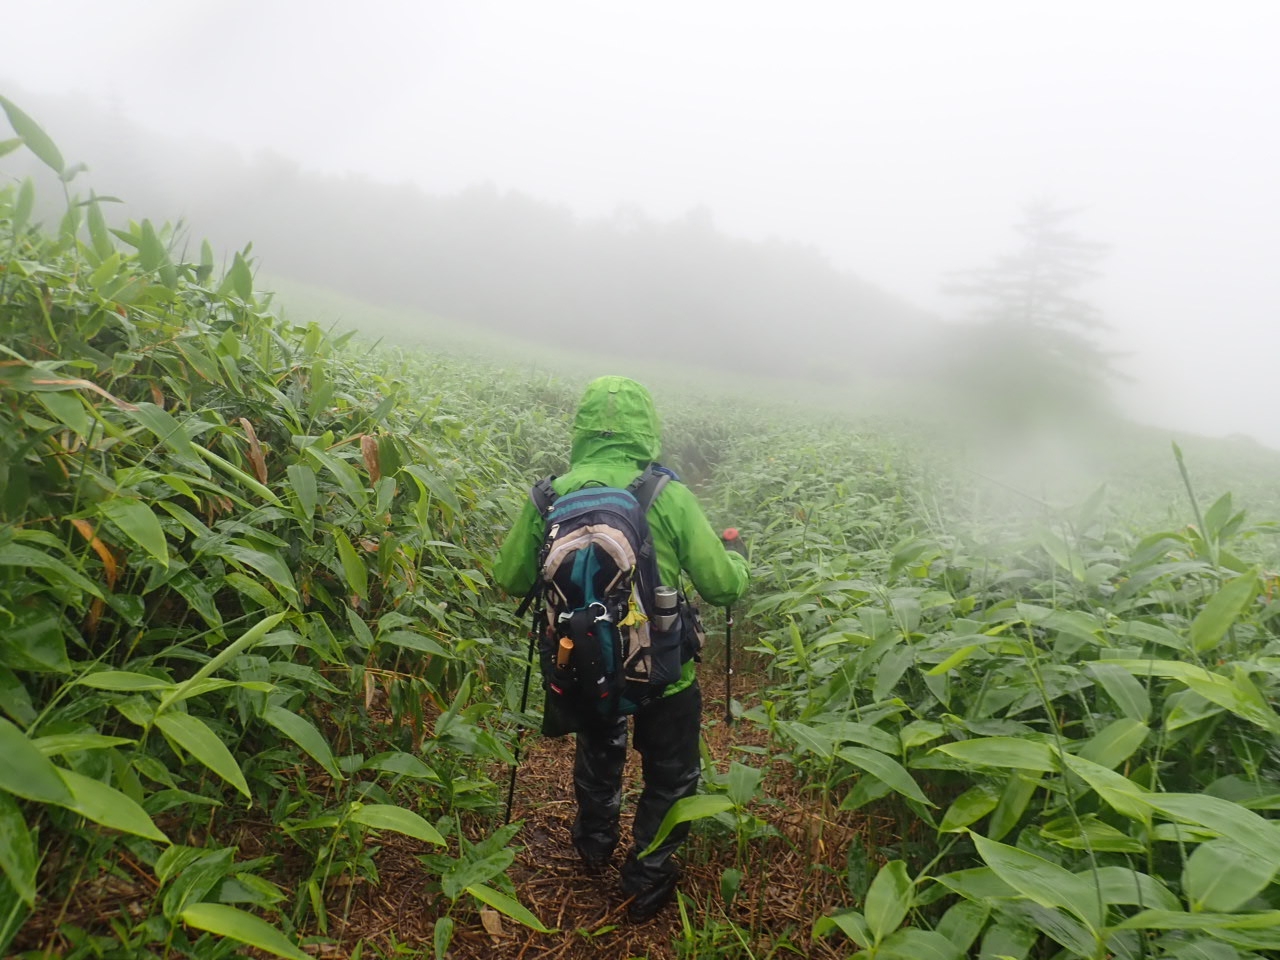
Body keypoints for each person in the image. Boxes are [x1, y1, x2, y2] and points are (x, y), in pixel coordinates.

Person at [494, 375, 750, 922]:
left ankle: (592, 845)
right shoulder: (666, 494)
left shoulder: (549, 496)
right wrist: (740, 557)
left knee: (599, 750)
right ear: (646, 428)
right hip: (666, 672)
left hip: (586, 663)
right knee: (672, 774)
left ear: (582, 428)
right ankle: (646, 878)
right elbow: (722, 586)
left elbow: (511, 579)